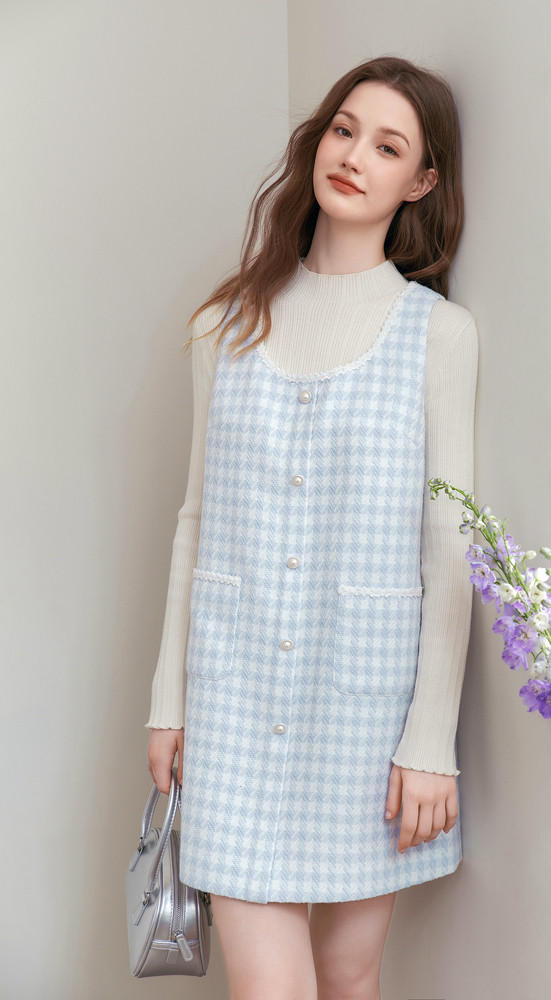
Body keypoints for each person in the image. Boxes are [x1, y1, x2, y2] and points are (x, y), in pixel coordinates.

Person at [146, 55, 477, 1000]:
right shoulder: (225, 324)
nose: (354, 156)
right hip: (233, 698)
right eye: (343, 129)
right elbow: (195, 517)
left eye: (388, 147)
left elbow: (449, 544)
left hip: (366, 709)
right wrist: (168, 701)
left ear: (421, 183)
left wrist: (431, 740)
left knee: (347, 975)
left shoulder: (438, 335)